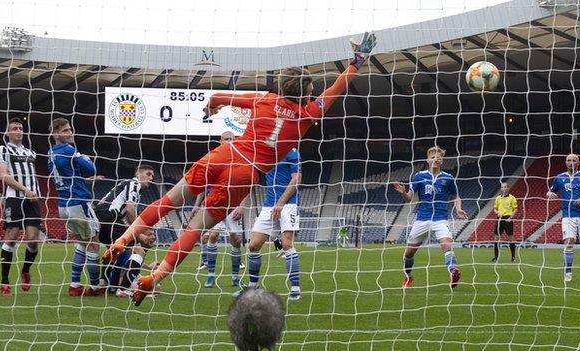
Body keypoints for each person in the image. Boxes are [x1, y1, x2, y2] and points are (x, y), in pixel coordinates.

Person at [104, 32, 378, 306]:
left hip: (225, 154)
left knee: (168, 201)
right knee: (195, 229)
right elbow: (335, 90)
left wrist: (211, 108)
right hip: (245, 175)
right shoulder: (309, 114)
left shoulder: (266, 99)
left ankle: (123, 239)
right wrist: (356, 61)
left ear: (283, 87)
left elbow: (220, 96)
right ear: (305, 92)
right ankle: (157, 276)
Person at [394, 146, 467, 289]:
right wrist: (403, 192)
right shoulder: (419, 176)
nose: (436, 159)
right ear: (428, 160)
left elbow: (456, 196)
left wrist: (458, 209)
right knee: (409, 253)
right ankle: (408, 277)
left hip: (440, 219)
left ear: (442, 161)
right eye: (433, 157)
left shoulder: (448, 178)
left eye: (439, 158)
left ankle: (454, 271)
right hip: (422, 219)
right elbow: (409, 198)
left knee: (446, 244)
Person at [48, 118, 103, 296]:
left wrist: (86, 180)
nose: (70, 133)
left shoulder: (51, 153)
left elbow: (68, 177)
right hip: (79, 203)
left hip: (63, 205)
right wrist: (86, 158)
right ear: (56, 134)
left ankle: (74, 285)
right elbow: (91, 167)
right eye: (65, 131)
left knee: (81, 243)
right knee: (94, 244)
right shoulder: (68, 149)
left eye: (70, 129)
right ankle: (95, 287)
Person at [242, 148, 302, 300]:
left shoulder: (291, 151)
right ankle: (252, 286)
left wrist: (281, 202)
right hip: (269, 204)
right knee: (253, 245)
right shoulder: (265, 151)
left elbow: (296, 179)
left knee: (287, 244)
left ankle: (295, 288)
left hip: (288, 204)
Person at [0, 117, 41, 296]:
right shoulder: (2, 149)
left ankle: (26, 270)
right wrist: (24, 190)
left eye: (20, 128)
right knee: (12, 236)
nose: (18, 130)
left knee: (33, 238)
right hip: (14, 198)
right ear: (7, 132)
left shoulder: (31, 153)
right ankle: (5, 282)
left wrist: (32, 192)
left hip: (33, 199)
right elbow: (3, 176)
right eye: (14, 128)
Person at [193, 132, 246, 288]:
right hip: (214, 203)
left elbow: (247, 184)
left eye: (232, 139)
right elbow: (204, 185)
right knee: (213, 235)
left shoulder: (241, 160)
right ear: (220, 141)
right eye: (227, 139)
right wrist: (197, 204)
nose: (230, 142)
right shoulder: (213, 159)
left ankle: (235, 277)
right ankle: (210, 275)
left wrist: (242, 205)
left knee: (236, 240)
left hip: (233, 203)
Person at [95, 164, 154, 291]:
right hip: (109, 216)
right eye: (148, 174)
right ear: (138, 173)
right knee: (139, 249)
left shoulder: (127, 186)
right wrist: (140, 233)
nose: (151, 178)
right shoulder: (134, 184)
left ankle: (104, 282)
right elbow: (130, 209)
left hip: (100, 217)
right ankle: (124, 288)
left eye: (152, 176)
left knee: (115, 249)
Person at [546, 154, 580, 282]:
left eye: (574, 160)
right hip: (568, 216)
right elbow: (550, 191)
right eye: (569, 160)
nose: (571, 163)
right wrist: (550, 193)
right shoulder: (559, 178)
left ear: (578, 162)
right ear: (566, 162)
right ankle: (568, 273)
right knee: (569, 242)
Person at [114, 228, 161, 297]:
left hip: (131, 277)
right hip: (121, 280)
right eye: (149, 234)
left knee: (156, 287)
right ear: (139, 236)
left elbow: (134, 263)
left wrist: (149, 267)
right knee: (154, 287)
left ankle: (132, 289)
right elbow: (123, 269)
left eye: (154, 234)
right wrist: (122, 286)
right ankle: (124, 289)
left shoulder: (138, 252)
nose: (153, 237)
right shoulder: (136, 249)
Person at [492, 181, 518, 262]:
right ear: (501, 188)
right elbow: (495, 209)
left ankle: (513, 257)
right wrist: (497, 213)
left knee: (511, 238)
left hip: (508, 219)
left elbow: (516, 209)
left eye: (506, 187)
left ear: (508, 188)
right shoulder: (497, 198)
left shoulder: (512, 198)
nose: (504, 188)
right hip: (499, 219)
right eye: (503, 187)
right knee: (496, 238)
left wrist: (511, 217)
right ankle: (496, 257)